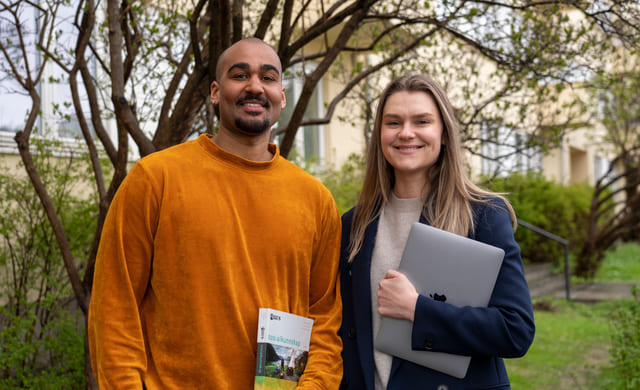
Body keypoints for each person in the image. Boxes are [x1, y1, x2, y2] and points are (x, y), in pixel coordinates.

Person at [88, 37, 343, 389]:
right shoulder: (155, 179)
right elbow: (114, 307)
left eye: (268, 78)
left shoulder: (316, 200)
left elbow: (324, 323)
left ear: (282, 96)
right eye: (240, 75)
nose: (254, 86)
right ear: (214, 91)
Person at [339, 74, 535, 390]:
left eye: (421, 121)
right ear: (379, 135)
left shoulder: (483, 216)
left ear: (443, 133)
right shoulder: (354, 225)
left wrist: (417, 309)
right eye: (393, 123)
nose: (406, 133)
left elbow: (515, 330)